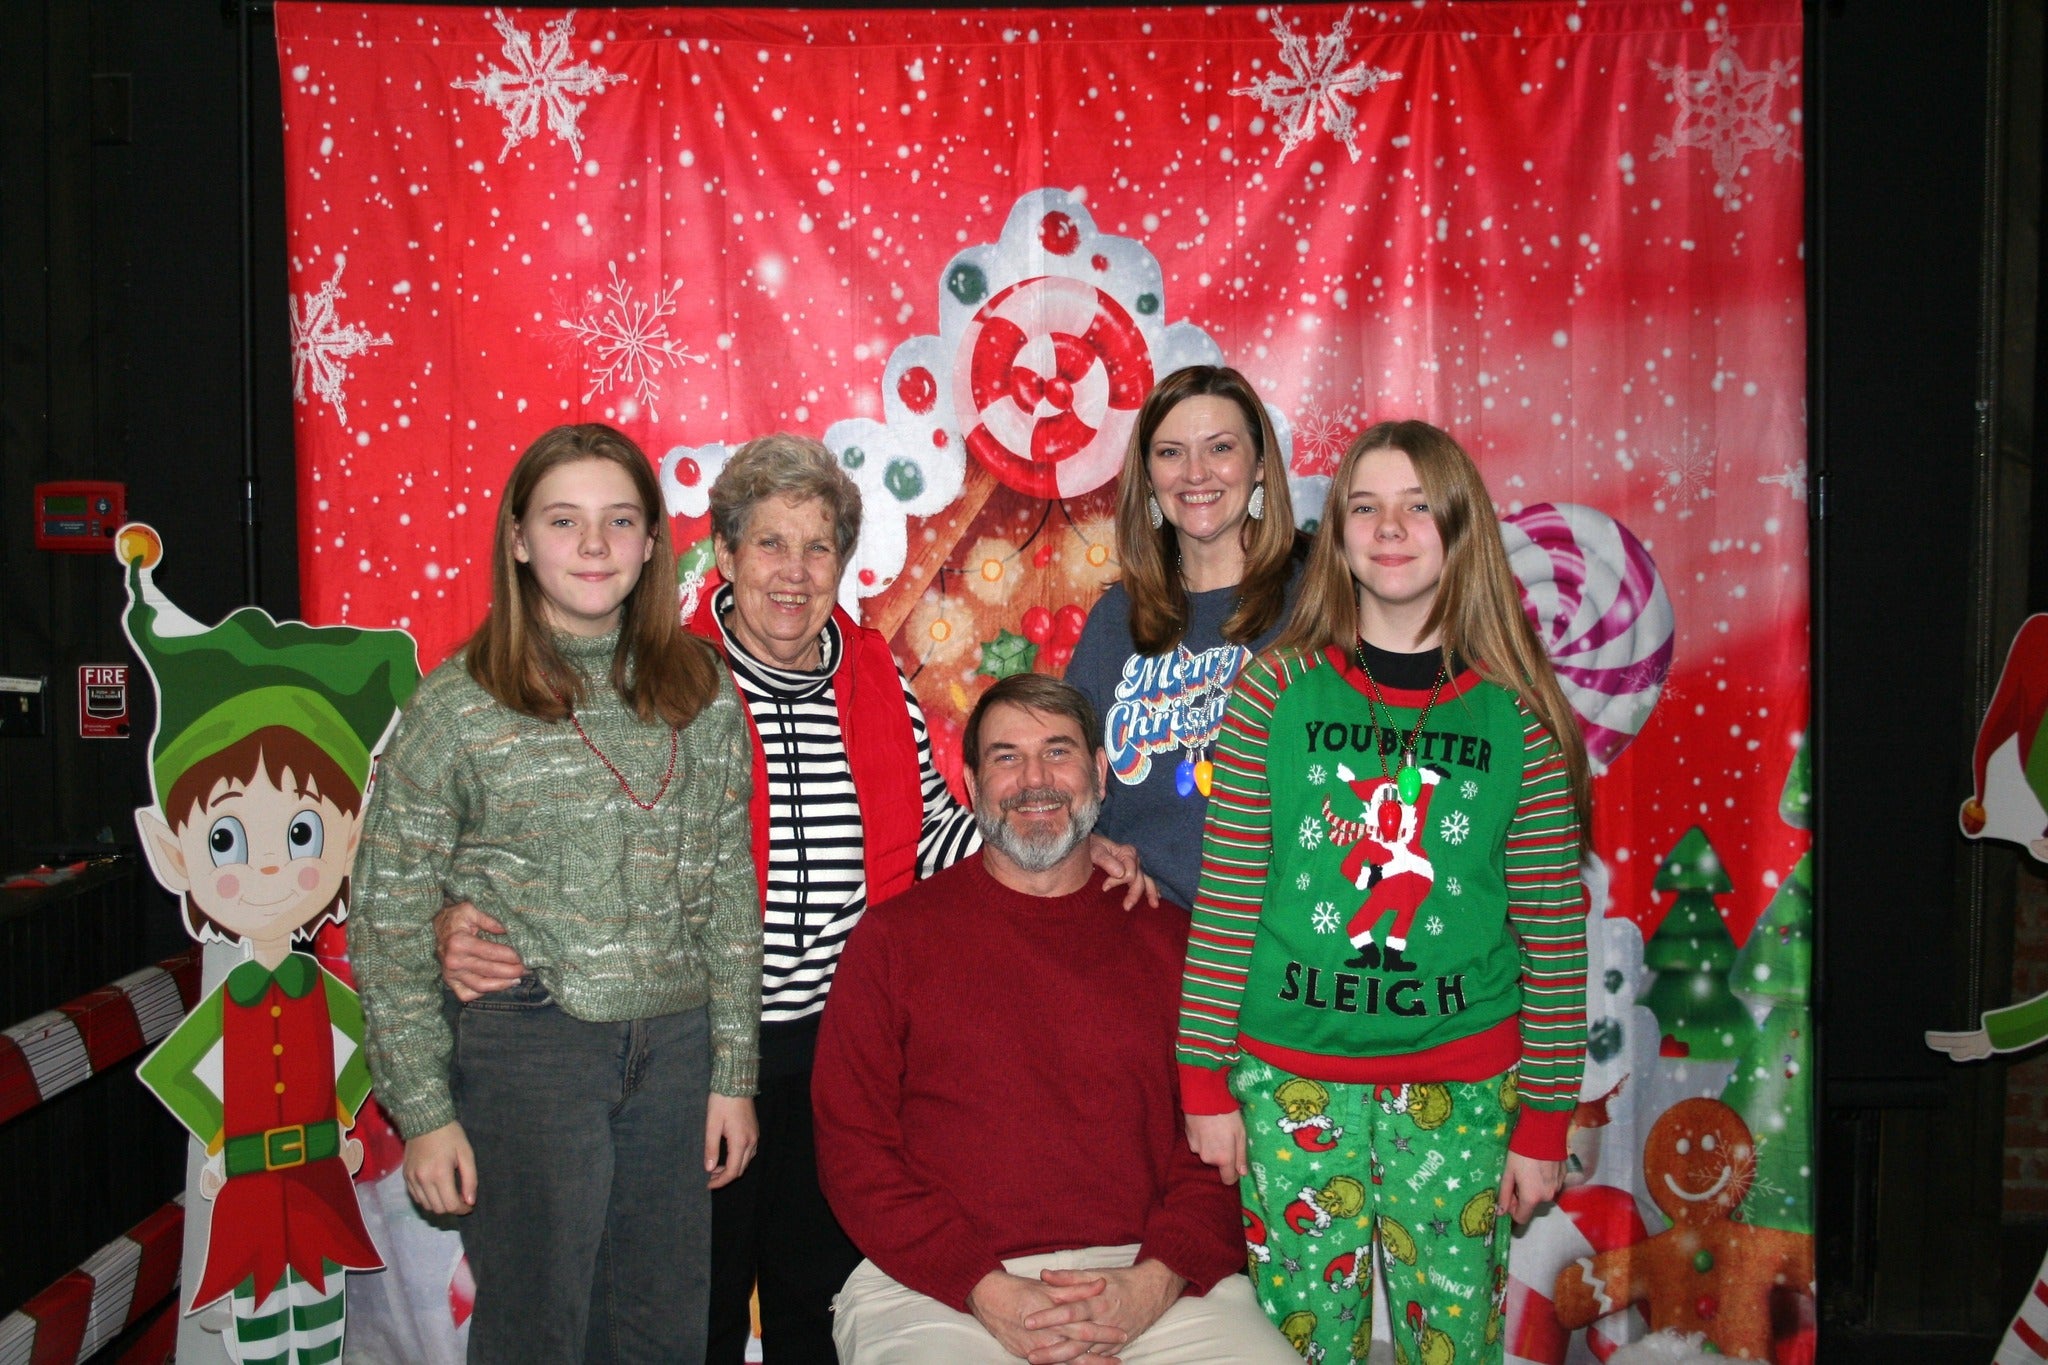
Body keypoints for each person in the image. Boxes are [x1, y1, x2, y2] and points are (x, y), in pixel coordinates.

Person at [436, 434, 1153, 1364]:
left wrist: (1066, 833)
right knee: (689, 1311)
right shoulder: (661, 676)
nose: (794, 572)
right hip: (687, 1049)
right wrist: (458, 909)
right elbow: (553, 839)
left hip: (839, 1051)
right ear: (725, 557)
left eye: (817, 548)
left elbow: (937, 834)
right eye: (770, 544)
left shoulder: (875, 673)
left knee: (819, 1310)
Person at [1176, 420, 1591, 1365]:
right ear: (1341, 531)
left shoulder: (1517, 720)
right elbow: (1229, 902)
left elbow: (1556, 942)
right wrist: (1204, 1079)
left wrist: (1546, 1118)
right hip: (1288, 1089)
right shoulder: (1273, 694)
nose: (1390, 527)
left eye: (1417, 506)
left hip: (1463, 1092)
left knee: (1454, 1346)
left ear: (1460, 528)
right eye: (1365, 506)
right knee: (1296, 1346)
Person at [349, 423, 762, 1364]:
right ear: (520, 539)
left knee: (662, 1328)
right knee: (538, 1330)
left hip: (677, 1047)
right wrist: (424, 1108)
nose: (592, 545)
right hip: (529, 1049)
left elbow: (728, 891)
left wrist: (732, 1071)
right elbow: (387, 915)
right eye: (564, 520)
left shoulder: (700, 690)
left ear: (653, 542)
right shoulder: (456, 706)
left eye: (619, 521)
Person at [814, 674, 1299, 1365]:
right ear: (972, 780)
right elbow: (853, 1150)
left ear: (1100, 772)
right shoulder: (892, 941)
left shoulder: (1174, 942)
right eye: (1007, 756)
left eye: (1058, 752)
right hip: (938, 1286)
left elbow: (1219, 1143)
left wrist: (1151, 1283)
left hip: (1151, 1275)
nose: (1034, 780)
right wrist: (983, 1288)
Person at [1066, 364, 1306, 912]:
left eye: (1220, 448)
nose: (1195, 473)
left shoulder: (1323, 600)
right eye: (1171, 453)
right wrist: (1089, 842)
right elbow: (1068, 772)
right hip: (1146, 932)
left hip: (1291, 943)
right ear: (1149, 476)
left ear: (1262, 464)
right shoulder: (1115, 619)